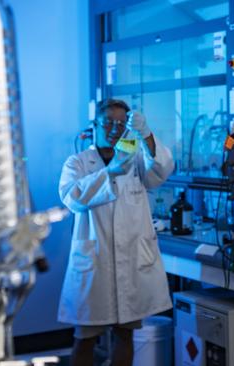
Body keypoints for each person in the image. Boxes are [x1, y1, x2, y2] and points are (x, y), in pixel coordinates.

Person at [58, 99, 174, 366]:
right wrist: (108, 173)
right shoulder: (77, 163)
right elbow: (71, 197)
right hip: (95, 265)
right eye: (108, 122)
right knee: (85, 339)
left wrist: (146, 135)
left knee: (126, 335)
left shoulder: (136, 160)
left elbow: (161, 171)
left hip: (131, 263)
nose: (114, 128)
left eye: (121, 124)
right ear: (95, 125)